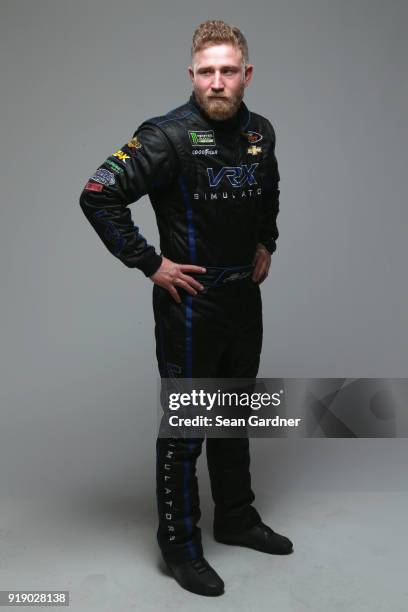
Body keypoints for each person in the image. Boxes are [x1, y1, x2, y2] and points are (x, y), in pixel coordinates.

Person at [79, 19, 293, 597]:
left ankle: (237, 517)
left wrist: (266, 242)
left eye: (228, 71)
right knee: (186, 426)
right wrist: (149, 262)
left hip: (242, 298)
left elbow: (269, 191)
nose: (217, 82)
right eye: (206, 72)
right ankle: (179, 545)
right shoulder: (165, 135)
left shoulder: (261, 133)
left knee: (236, 414)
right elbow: (98, 196)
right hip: (190, 304)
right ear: (192, 76)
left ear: (246, 75)